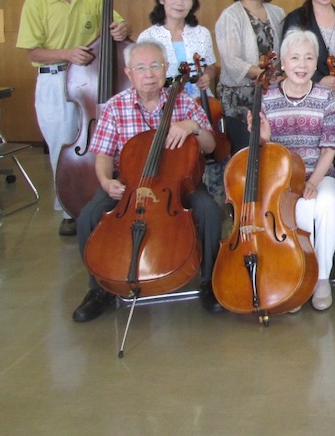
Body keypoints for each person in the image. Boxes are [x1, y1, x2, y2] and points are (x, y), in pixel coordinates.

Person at [71, 41, 222, 322]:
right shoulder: (115, 107)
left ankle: (209, 282)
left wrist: (193, 126)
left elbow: (211, 146)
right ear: (129, 73)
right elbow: (103, 155)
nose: (149, 73)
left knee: (209, 212)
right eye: (141, 67)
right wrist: (106, 181)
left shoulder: (184, 103)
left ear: (166, 69)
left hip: (177, 184)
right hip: (129, 185)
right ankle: (99, 289)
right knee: (88, 217)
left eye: (155, 65)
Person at [17, 0, 131, 236]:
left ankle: (100, 198)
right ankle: (68, 208)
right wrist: (66, 54)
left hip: (87, 83)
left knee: (100, 144)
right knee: (63, 146)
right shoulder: (35, 3)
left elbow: (119, 28)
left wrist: (122, 28)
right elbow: (32, 51)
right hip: (54, 80)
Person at [254, 30, 335, 311]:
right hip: (281, 180)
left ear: (316, 62)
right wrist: (263, 138)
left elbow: (329, 147)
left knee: (329, 205)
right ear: (282, 62)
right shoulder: (266, 98)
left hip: (319, 173)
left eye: (308, 57)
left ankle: (321, 278)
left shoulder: (325, 97)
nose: (301, 65)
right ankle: (298, 277)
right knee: (302, 210)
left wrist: (314, 182)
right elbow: (263, 154)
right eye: (294, 58)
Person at [137, 0, 225, 201]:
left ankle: (209, 197)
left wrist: (206, 76)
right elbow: (144, 75)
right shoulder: (148, 36)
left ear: (192, 3)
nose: (180, 2)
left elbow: (211, 67)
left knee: (208, 146)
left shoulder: (201, 33)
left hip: (199, 102)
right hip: (165, 105)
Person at [215, 0, 285, 155]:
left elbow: (284, 53)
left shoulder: (277, 12)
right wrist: (266, 76)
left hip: (271, 95)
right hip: (240, 99)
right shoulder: (230, 16)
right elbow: (231, 62)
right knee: (246, 155)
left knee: (271, 152)